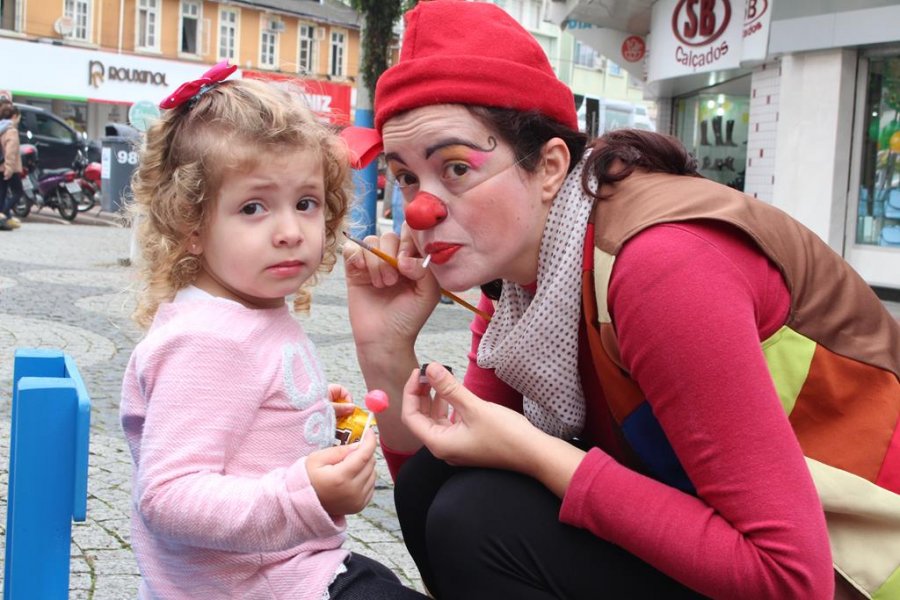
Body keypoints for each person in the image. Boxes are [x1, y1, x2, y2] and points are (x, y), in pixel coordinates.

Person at [341, 2, 900, 599]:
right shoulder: (519, 287)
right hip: (724, 533)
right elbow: (444, 465)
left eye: (456, 167)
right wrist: (386, 347)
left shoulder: (662, 265)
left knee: (480, 518)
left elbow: (790, 579)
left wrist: (538, 455)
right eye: (405, 177)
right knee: (441, 483)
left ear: (551, 166)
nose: (422, 210)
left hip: (858, 566)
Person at [121, 62, 427, 599]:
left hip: (292, 569)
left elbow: (233, 426)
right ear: (191, 224)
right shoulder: (207, 339)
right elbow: (168, 496)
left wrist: (301, 418)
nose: (289, 231)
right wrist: (303, 494)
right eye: (254, 207)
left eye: (305, 203)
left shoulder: (249, 309)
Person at [0, 101, 24, 230]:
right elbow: (10, 151)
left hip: (0, 166)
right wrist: (9, 168)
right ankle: (3, 214)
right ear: (14, 116)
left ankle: (5, 219)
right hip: (9, 168)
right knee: (18, 192)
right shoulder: (11, 131)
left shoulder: (1, 128)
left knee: (2, 193)